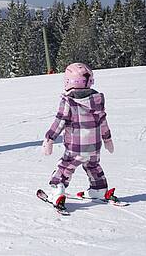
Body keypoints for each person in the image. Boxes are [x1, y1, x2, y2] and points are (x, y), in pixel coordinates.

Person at [42, 63, 115, 207]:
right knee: (93, 166)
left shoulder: (69, 101)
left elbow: (60, 121)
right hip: (94, 147)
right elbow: (103, 122)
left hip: (75, 148)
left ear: (68, 81)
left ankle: (57, 190)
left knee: (65, 167)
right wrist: (107, 139)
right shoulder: (97, 101)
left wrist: (49, 138)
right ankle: (99, 189)